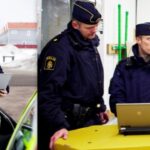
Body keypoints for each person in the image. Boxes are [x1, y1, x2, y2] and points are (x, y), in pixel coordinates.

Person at [38, 1, 108, 149]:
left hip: (88, 121)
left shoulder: (89, 44)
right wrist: (58, 125)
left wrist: (99, 108)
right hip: (68, 125)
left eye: (96, 26)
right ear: (75, 25)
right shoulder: (59, 49)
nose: (94, 30)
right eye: (89, 27)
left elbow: (93, 83)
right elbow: (48, 93)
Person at [109, 22, 150, 116]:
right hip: (131, 122)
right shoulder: (124, 67)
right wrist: (128, 115)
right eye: (149, 39)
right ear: (138, 40)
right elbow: (116, 96)